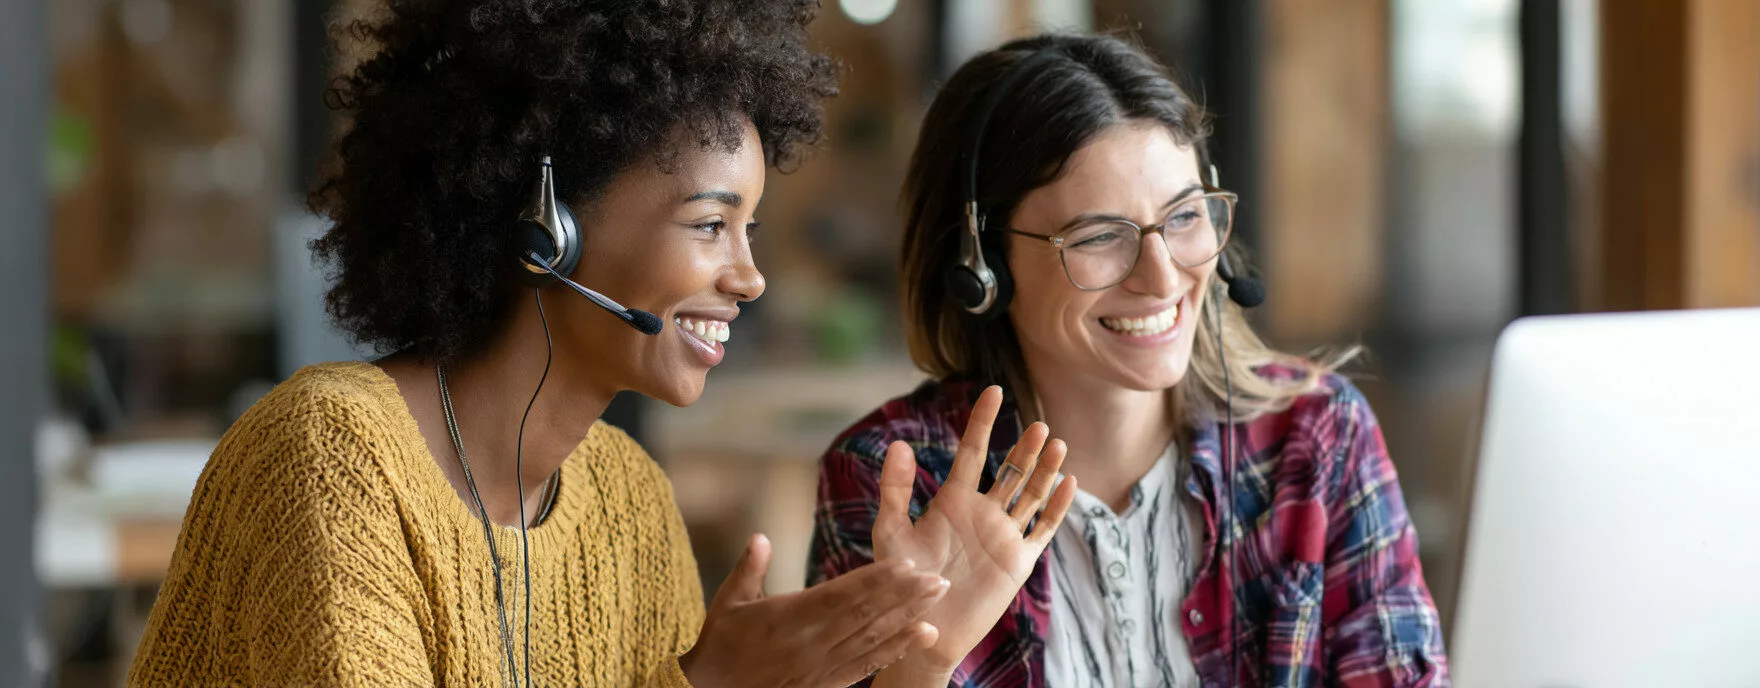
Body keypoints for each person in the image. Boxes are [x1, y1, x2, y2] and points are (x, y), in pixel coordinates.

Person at [126, 2, 1075, 686]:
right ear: (549, 230)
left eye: (751, 230)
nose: (749, 276)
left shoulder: (626, 502)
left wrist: (919, 659)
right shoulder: (332, 458)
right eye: (710, 225)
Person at [809, 33, 1450, 687]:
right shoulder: (894, 480)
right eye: (1099, 237)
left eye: (1183, 217)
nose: (1162, 277)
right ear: (982, 267)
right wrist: (922, 660)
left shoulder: (1316, 441)